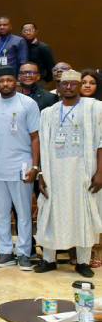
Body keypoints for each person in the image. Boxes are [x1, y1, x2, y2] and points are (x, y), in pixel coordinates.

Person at [35, 70, 102, 278]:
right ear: (59, 86)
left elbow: (101, 143)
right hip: (54, 173)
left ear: (80, 85)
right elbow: (41, 146)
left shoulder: (95, 108)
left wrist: (100, 172)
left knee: (83, 214)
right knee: (51, 212)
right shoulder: (48, 112)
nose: (69, 87)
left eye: (74, 84)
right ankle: (49, 259)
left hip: (84, 172)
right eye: (65, 84)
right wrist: (40, 173)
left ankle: (83, 261)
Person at [0, 68, 40, 270]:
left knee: (24, 213)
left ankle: (24, 252)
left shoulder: (28, 104)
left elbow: (36, 136)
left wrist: (35, 166)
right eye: (2, 81)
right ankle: (5, 251)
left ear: (15, 82)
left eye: (9, 80)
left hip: (21, 166)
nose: (6, 84)